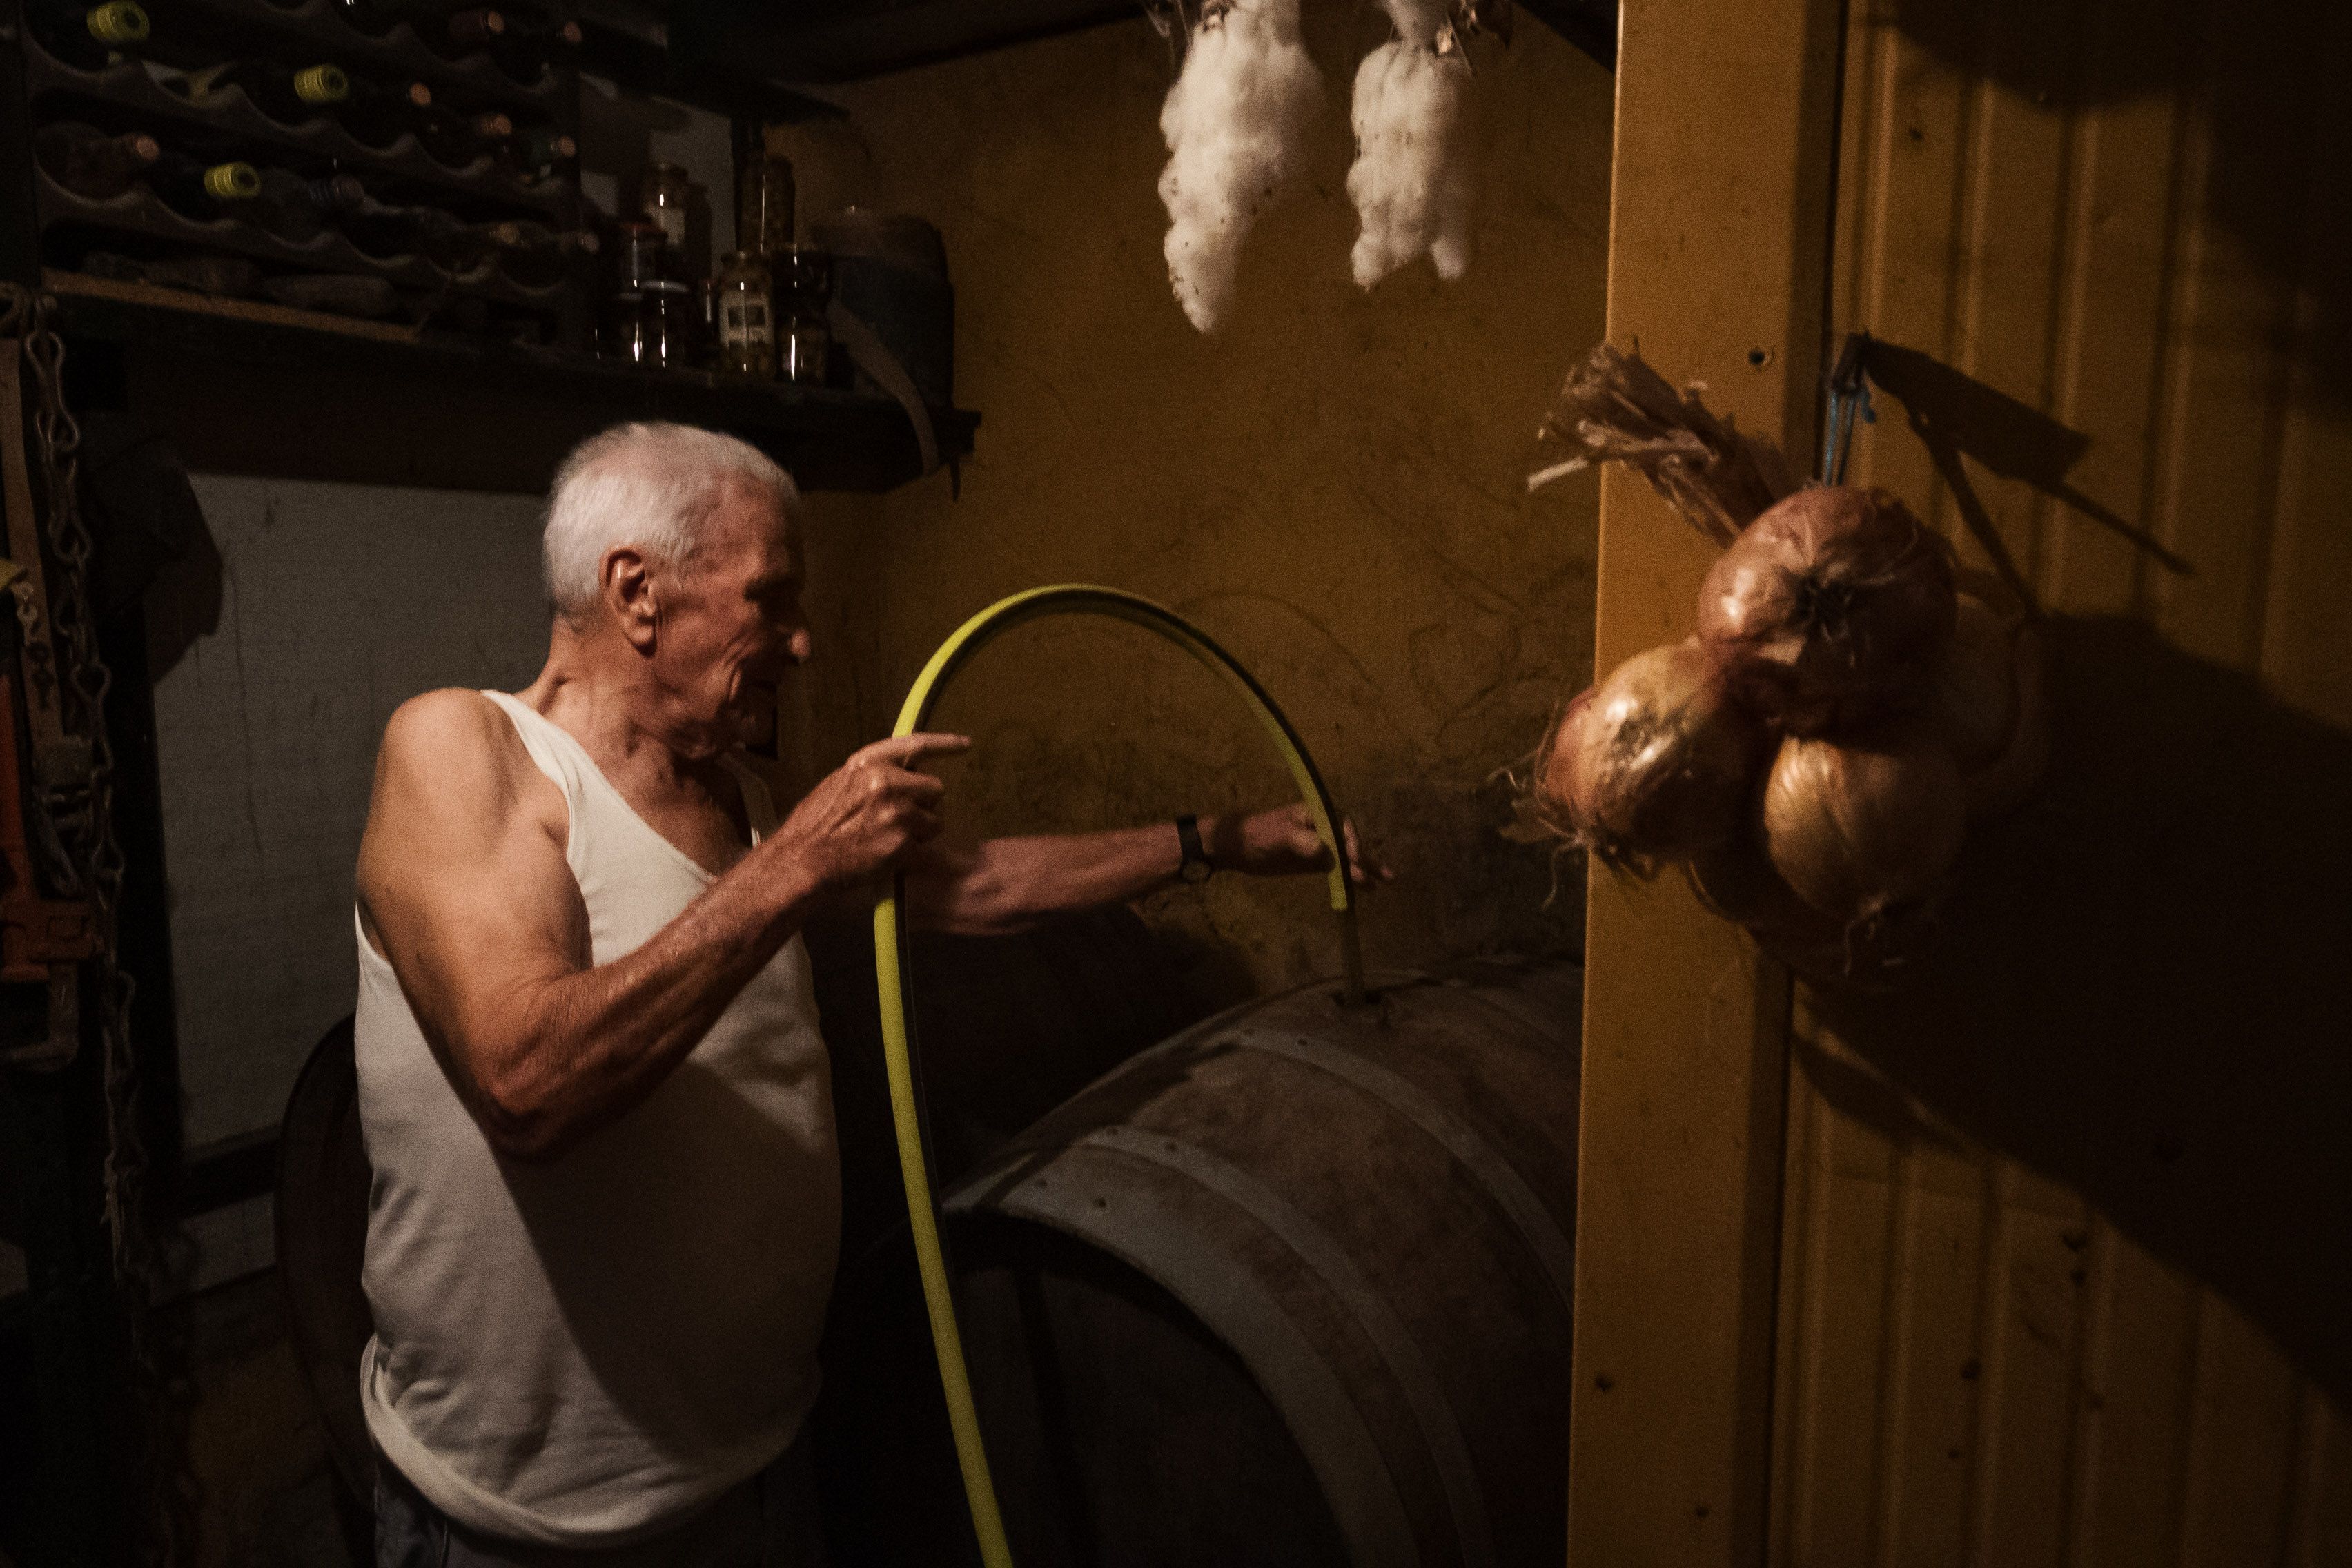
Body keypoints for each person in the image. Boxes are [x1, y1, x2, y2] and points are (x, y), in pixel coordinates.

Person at [352, 422, 1383, 1567]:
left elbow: (974, 886)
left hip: (762, 1463)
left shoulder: (739, 796)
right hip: (532, 1526)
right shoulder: (468, 748)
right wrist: (798, 863)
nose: (800, 639)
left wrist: (1216, 840)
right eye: (771, 597)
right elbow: (526, 1081)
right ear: (636, 592)